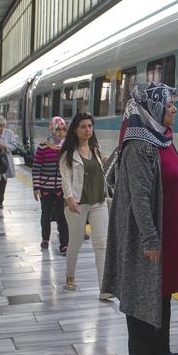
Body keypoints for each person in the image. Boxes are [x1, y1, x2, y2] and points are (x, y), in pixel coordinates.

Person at [102, 82, 178, 355]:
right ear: (153, 107)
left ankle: (161, 349)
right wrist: (149, 238)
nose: (174, 108)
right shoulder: (139, 144)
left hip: (168, 228)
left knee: (163, 292)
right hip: (147, 233)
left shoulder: (162, 138)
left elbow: (164, 174)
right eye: (169, 103)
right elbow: (139, 196)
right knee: (144, 293)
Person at [59, 112, 110, 296]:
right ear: (75, 129)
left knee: (102, 243)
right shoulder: (67, 154)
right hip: (77, 203)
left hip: (99, 200)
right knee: (76, 241)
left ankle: (104, 288)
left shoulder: (96, 149)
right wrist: (69, 198)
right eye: (83, 126)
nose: (87, 130)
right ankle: (70, 275)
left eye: (90, 126)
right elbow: (65, 179)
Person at [33, 117, 70, 254]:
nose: (61, 132)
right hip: (45, 188)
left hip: (62, 189)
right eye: (58, 130)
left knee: (62, 216)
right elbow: (37, 167)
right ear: (52, 130)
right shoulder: (43, 146)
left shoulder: (67, 147)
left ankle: (64, 244)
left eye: (63, 129)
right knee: (46, 215)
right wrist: (36, 187)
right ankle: (45, 238)